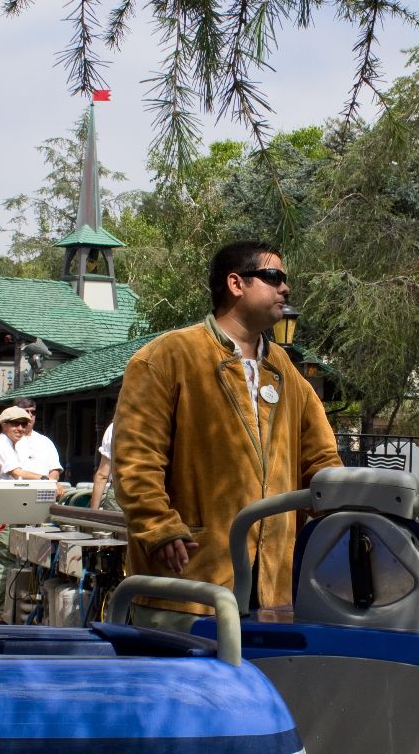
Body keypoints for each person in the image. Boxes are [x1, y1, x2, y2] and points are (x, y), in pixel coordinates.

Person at [113, 240, 340, 631]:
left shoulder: (285, 368)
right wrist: (158, 527)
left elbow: (321, 460)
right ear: (236, 284)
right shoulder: (167, 357)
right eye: (274, 277)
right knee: (183, 692)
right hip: (189, 582)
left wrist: (345, 515)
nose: (285, 288)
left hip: (273, 592)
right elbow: (136, 460)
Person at [0, 404, 64, 617]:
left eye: (23, 424)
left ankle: (2, 605)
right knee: (5, 559)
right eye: (14, 424)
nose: (19, 428)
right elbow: (16, 473)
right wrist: (45, 481)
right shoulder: (1, 445)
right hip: (0, 512)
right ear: (4, 425)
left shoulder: (16, 446)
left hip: (17, 511)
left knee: (8, 559)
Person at [88, 422, 117, 510]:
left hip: (120, 492)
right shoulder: (158, 422)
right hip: (153, 492)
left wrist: (93, 514)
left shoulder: (115, 427)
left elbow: (103, 475)